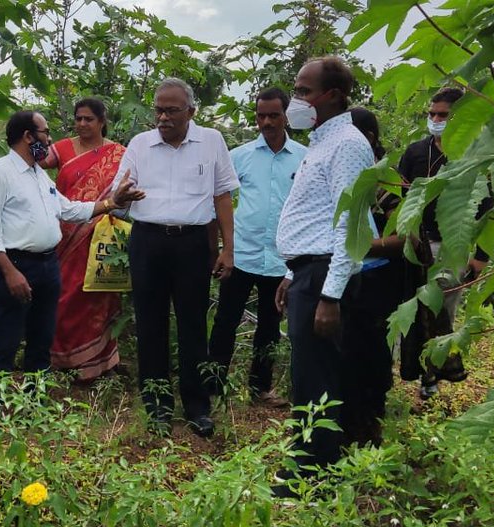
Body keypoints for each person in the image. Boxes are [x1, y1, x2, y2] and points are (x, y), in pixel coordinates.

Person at [110, 78, 240, 437]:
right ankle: (157, 406)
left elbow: (222, 198)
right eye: (158, 110)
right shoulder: (140, 144)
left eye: (171, 110)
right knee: (151, 325)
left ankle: (197, 406)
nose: (162, 117)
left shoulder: (211, 141)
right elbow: (116, 194)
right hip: (148, 241)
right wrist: (121, 193)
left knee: (193, 325)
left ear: (191, 112)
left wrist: (228, 249)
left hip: (193, 244)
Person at [271, 57, 375, 496]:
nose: (297, 100)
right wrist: (293, 274)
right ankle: (312, 462)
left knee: (317, 378)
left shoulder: (347, 144)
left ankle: (312, 474)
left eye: (304, 91)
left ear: (333, 95)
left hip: (324, 277)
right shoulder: (323, 142)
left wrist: (329, 296)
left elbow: (348, 228)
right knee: (309, 374)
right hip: (309, 273)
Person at [0, 110, 143, 379]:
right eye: (45, 133)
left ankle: (34, 402)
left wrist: (112, 203)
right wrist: (9, 272)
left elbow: (68, 209)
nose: (50, 138)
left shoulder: (38, 175)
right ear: (28, 137)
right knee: (5, 340)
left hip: (48, 266)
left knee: (41, 341)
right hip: (17, 266)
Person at [205, 88, 305, 407]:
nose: (266, 122)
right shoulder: (241, 156)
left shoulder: (304, 158)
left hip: (282, 259)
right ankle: (214, 386)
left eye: (273, 115)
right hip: (242, 254)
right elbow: (218, 197)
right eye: (261, 116)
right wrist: (222, 248)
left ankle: (260, 389)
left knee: (269, 326)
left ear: (286, 115)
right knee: (225, 321)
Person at [395, 87, 479, 399]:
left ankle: (432, 379)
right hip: (417, 244)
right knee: (414, 313)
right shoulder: (416, 152)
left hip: (453, 247)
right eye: (432, 114)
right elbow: (401, 197)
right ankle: (415, 371)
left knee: (444, 313)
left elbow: (487, 205)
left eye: (442, 115)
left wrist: (480, 256)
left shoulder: (473, 155)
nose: (435, 119)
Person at [38, 97, 127, 381]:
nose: (82, 124)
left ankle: (98, 364)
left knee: (98, 296)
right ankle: (60, 359)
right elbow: (35, 162)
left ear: (102, 121)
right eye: (78, 118)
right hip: (64, 235)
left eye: (88, 119)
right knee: (63, 296)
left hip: (103, 236)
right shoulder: (62, 148)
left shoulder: (120, 154)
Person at [341, 107, 398, 447]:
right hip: (339, 277)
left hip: (374, 282)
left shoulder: (385, 181)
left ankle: (369, 426)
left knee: (371, 355)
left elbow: (406, 238)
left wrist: (358, 246)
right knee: (342, 355)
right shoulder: (341, 173)